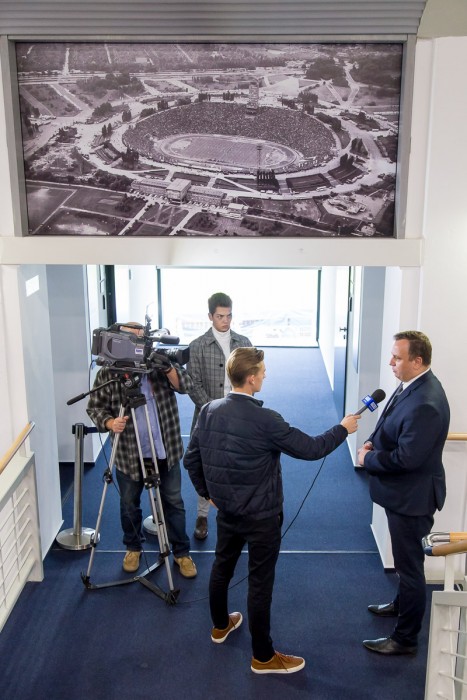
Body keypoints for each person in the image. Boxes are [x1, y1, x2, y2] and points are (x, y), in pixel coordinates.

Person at [183, 346, 359, 674]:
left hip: (228, 513)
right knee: (260, 583)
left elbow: (190, 460)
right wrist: (343, 429)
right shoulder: (266, 420)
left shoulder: (208, 410)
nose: (266, 374)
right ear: (251, 379)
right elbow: (311, 448)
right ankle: (263, 658)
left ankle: (220, 626)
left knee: (222, 567)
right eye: (262, 371)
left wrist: (208, 494)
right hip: (262, 517)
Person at [357, 331, 450, 656]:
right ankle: (400, 605)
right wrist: (372, 441)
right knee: (403, 562)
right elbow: (390, 423)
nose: (390, 362)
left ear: (418, 361)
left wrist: (368, 459)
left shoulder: (426, 403)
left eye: (397, 358)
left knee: (410, 570)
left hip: (413, 499)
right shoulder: (411, 384)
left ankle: (405, 639)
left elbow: (406, 459)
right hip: (402, 494)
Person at [87, 322, 197, 579]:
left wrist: (168, 368)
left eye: (142, 338)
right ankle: (133, 548)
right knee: (129, 504)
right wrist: (109, 423)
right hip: (129, 452)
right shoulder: (109, 372)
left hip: (165, 447)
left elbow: (186, 385)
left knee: (174, 502)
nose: (140, 345)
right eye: (134, 339)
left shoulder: (158, 362)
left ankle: (181, 553)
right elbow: (95, 407)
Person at [187, 292, 252, 540]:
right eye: (220, 316)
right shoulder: (197, 346)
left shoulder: (244, 343)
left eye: (229, 316)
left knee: (238, 465)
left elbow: (251, 378)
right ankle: (202, 515)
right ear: (210, 316)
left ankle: (239, 514)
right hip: (208, 416)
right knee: (207, 466)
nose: (225, 321)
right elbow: (193, 385)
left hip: (239, 415)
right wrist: (214, 411)